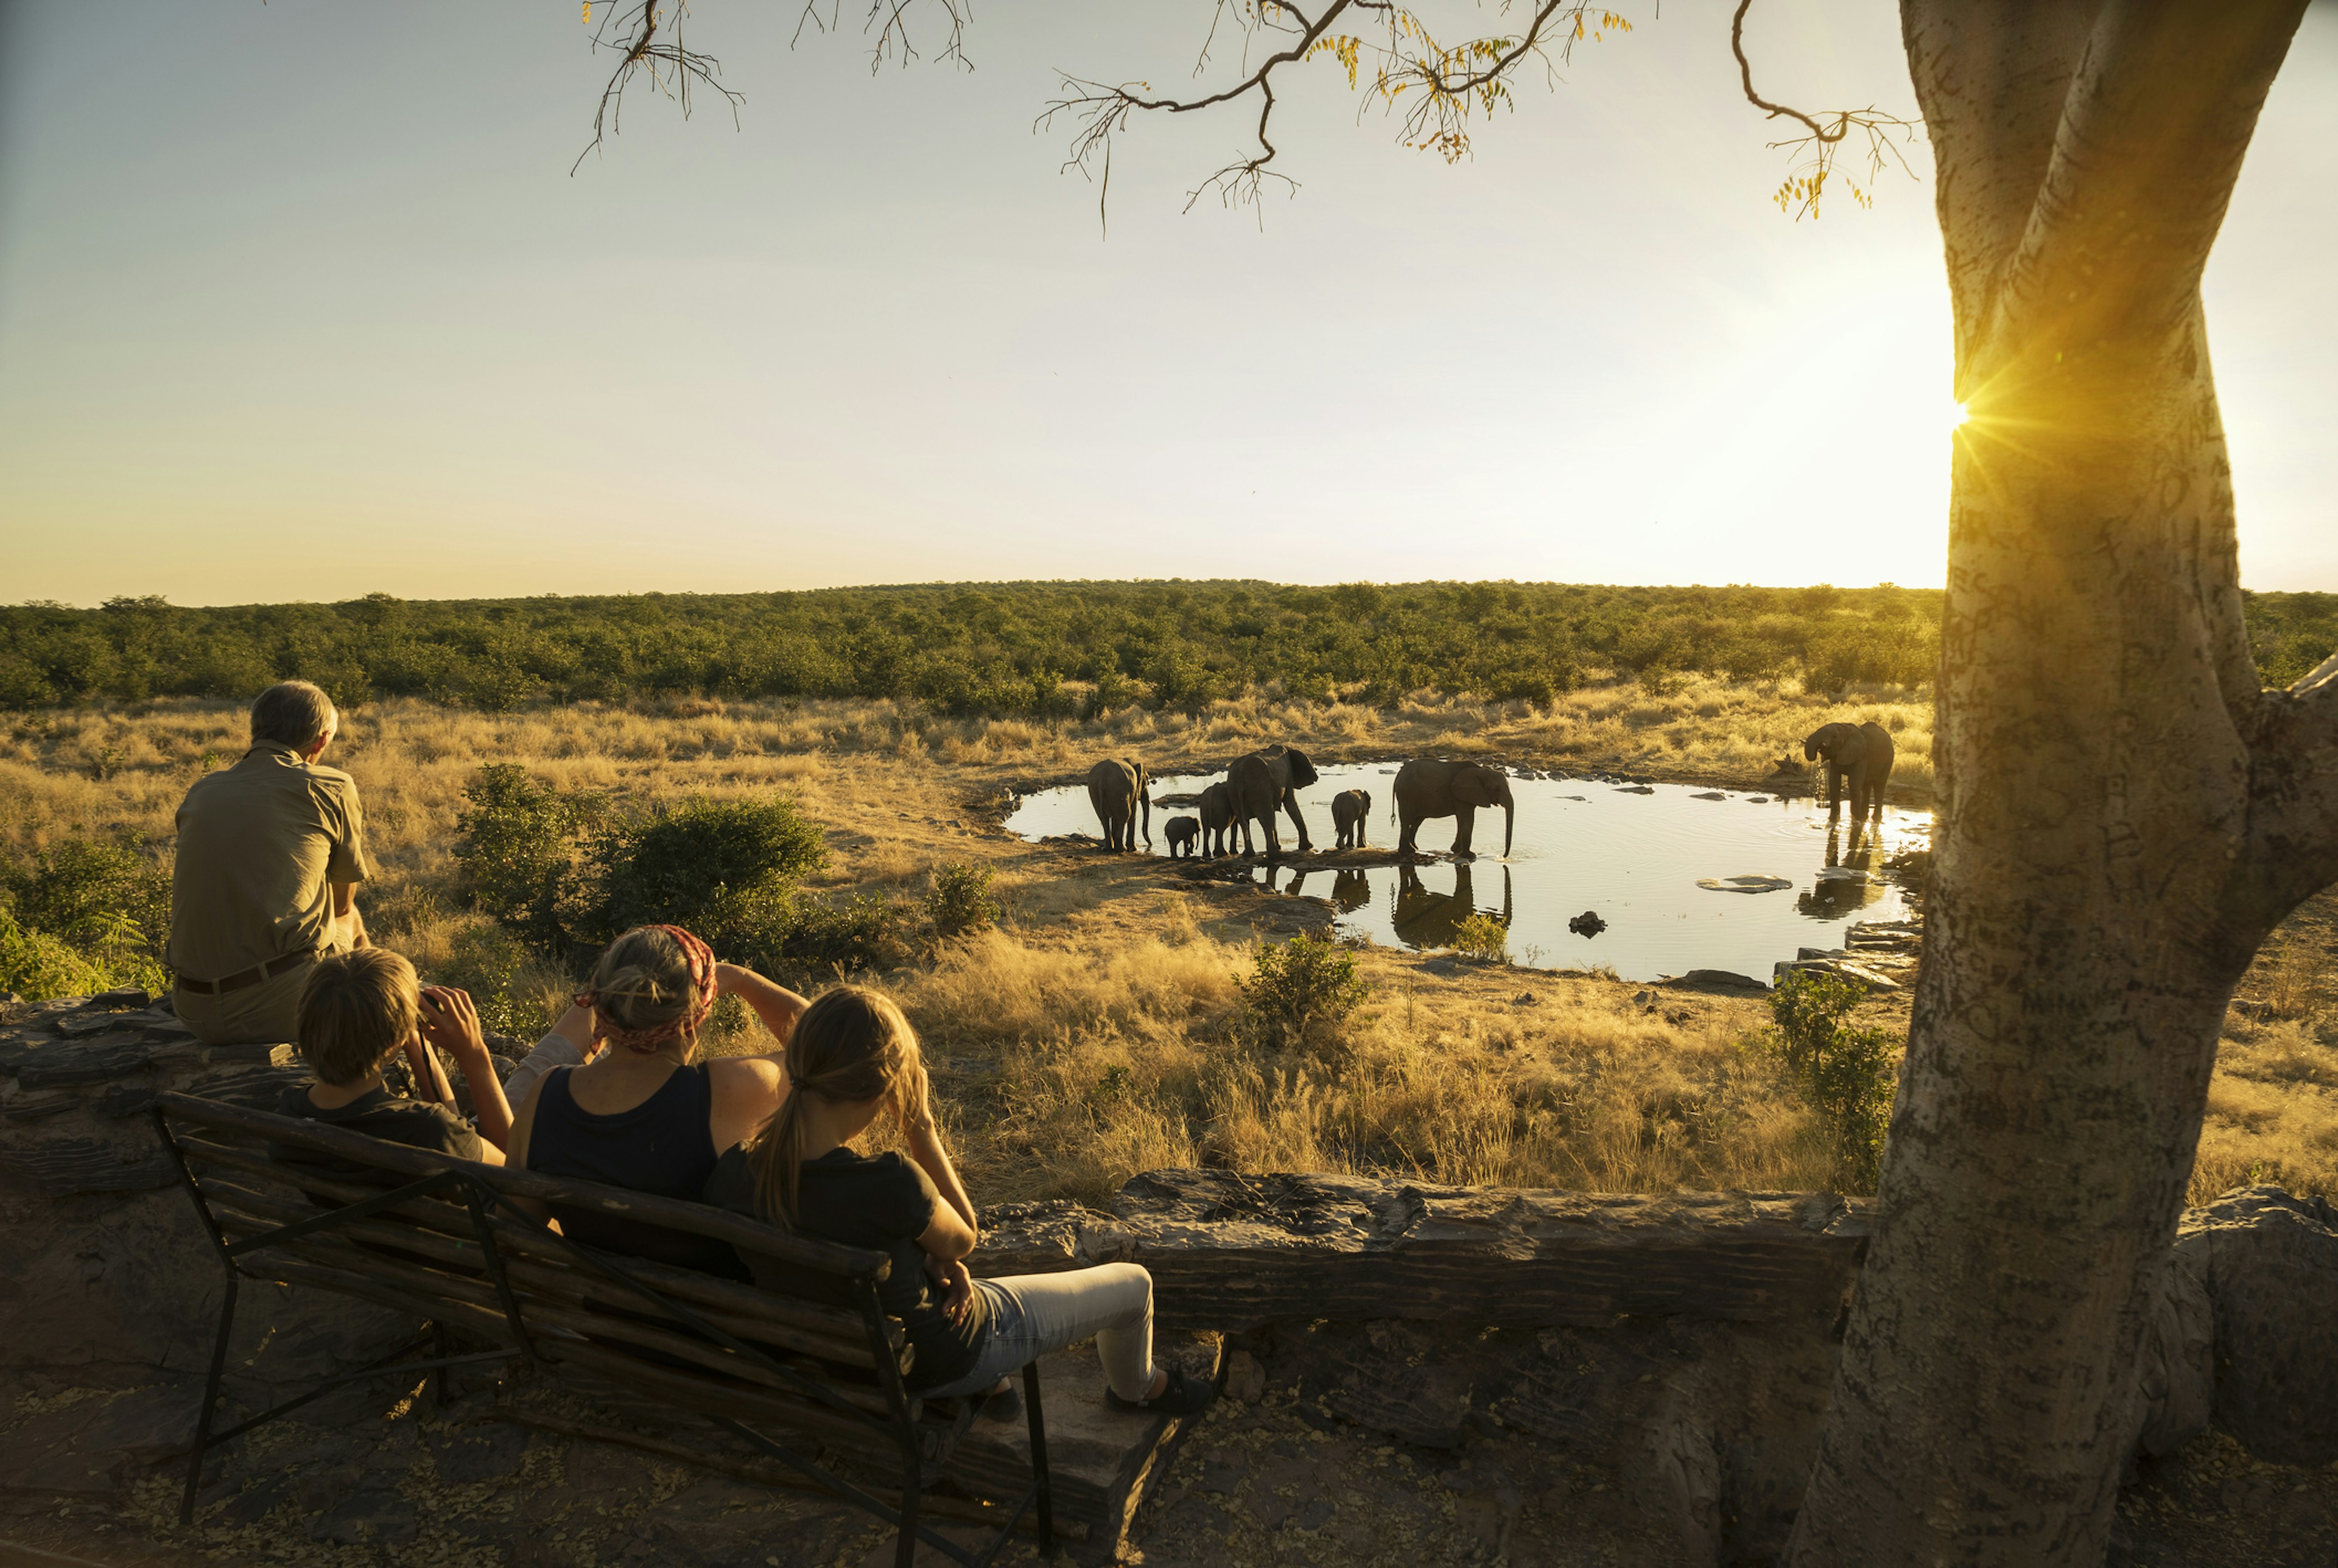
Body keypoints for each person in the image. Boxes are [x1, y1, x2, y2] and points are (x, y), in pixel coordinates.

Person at [703, 985, 1215, 1416]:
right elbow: (965, 1236)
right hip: (938, 1358)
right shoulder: (891, 1181)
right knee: (1133, 1285)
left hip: (830, 1361)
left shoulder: (732, 1172)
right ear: (888, 1088)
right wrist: (921, 1128)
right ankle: (1139, 1389)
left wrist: (924, 1258)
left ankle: (993, 1392)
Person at [504, 925, 807, 1277]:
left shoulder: (546, 1092)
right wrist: (741, 979)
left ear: (600, 1003)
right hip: (710, 1327)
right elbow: (825, 1045)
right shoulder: (726, 1090)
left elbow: (515, 1230)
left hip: (602, 1319)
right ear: (699, 1013)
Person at [168, 681, 370, 1046]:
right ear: (322, 740)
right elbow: (342, 904)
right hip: (283, 1008)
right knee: (350, 918)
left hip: (192, 1008)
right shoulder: (332, 786)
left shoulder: (203, 790)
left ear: (255, 730)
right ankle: (367, 1026)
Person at [272, 948, 513, 1171]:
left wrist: (414, 1044)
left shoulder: (291, 1109)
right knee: (540, 1070)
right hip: (495, 1209)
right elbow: (515, 1177)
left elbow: (453, 1133)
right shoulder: (429, 1131)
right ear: (390, 1046)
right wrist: (474, 1056)